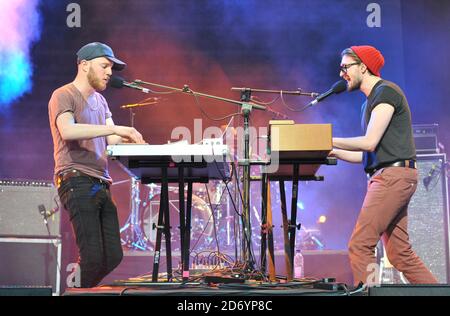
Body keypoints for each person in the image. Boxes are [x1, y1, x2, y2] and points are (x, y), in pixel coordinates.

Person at [331, 45, 438, 286]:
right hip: (392, 174)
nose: (341, 74)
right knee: (400, 254)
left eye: (345, 67)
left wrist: (326, 138)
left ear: (363, 67)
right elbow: (368, 156)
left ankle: (368, 294)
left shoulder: (385, 92)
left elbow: (368, 143)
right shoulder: (368, 104)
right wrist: (331, 151)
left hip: (392, 177)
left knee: (360, 245)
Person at [48, 42, 145, 288]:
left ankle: (81, 290)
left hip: (100, 183)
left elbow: (111, 141)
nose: (109, 72)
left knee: (113, 255)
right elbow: (68, 130)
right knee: (91, 256)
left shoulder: (101, 102)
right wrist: (115, 128)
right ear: (84, 65)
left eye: (111, 68)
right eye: (104, 66)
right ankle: (75, 291)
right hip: (76, 179)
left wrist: (137, 142)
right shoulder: (64, 94)